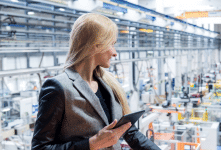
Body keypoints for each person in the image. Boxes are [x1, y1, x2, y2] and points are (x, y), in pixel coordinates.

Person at [31, 13, 161, 150]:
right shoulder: (58, 87)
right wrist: (91, 144)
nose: (115, 53)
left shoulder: (109, 85)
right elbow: (40, 148)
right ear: (96, 45)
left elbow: (129, 131)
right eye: (112, 44)